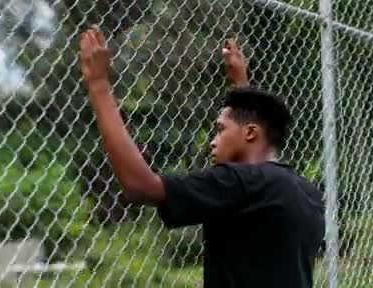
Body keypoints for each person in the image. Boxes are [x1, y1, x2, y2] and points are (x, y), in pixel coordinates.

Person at [79, 27, 325, 288]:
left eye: (220, 130)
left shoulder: (239, 183)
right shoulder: (306, 193)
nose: (212, 141)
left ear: (251, 133)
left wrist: (98, 85)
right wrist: (241, 86)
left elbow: (140, 186)